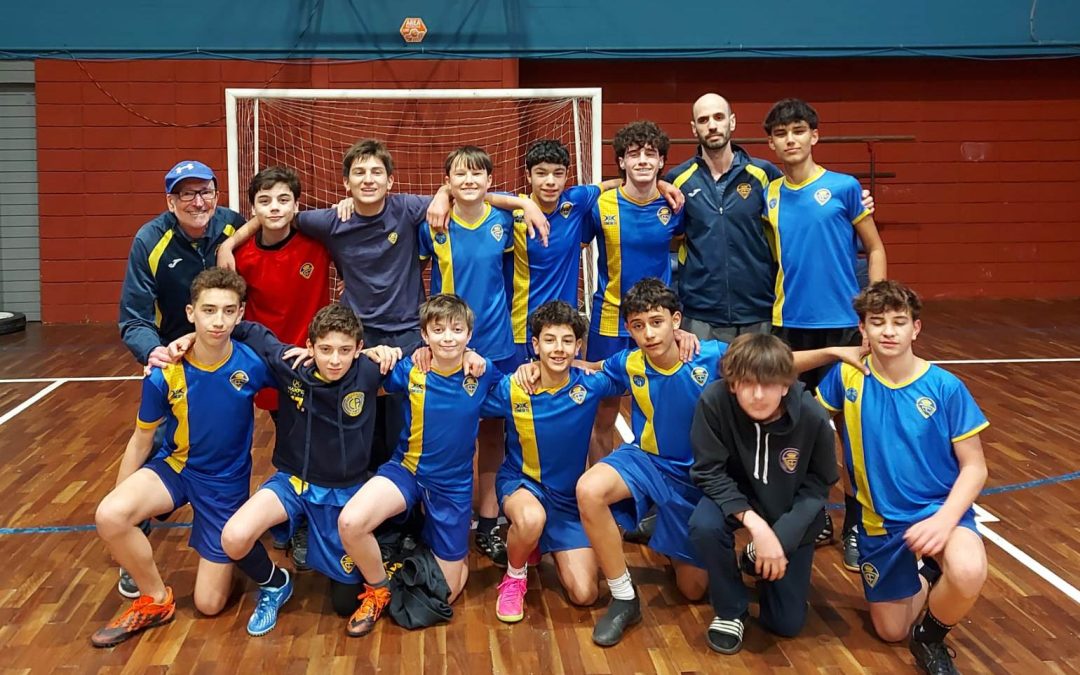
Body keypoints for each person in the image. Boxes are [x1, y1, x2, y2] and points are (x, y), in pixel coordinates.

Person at [91, 269, 273, 647]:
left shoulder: (254, 365)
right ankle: (156, 598)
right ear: (191, 313)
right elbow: (141, 441)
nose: (218, 321)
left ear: (241, 315)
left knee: (209, 605)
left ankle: (227, 555)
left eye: (228, 311)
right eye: (209, 310)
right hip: (176, 467)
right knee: (110, 514)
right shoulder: (164, 372)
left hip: (225, 484)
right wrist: (126, 509)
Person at [815, 280, 989, 675]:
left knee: (968, 569)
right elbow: (807, 415)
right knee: (890, 630)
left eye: (899, 321)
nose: (889, 331)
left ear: (916, 328)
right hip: (879, 521)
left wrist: (944, 521)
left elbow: (975, 467)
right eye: (877, 322)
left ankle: (929, 638)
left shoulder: (945, 387)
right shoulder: (846, 377)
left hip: (938, 511)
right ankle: (929, 571)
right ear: (862, 330)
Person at [761, 97, 888, 563]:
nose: (790, 139)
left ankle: (858, 525)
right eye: (781, 133)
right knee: (791, 429)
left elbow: (874, 249)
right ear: (771, 143)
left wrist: (874, 315)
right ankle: (812, 518)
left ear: (815, 135)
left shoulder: (844, 187)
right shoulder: (769, 194)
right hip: (787, 326)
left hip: (842, 328)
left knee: (848, 430)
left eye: (798, 130)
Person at [336, 294, 499, 638]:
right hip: (406, 472)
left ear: (470, 335)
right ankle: (378, 590)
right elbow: (354, 367)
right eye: (438, 330)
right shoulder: (412, 368)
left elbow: (524, 384)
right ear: (424, 335)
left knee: (447, 593)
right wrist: (374, 352)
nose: (448, 338)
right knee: (350, 523)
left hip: (452, 487)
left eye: (457, 330)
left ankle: (437, 544)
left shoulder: (482, 373)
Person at [418, 145, 546, 566]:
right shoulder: (433, 223)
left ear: (490, 182)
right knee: (446, 432)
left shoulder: (505, 222)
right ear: (448, 182)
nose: (469, 181)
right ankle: (436, 514)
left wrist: (524, 199)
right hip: (446, 347)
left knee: (493, 433)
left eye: (477, 175)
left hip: (496, 344)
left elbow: (512, 278)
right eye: (459, 175)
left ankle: (489, 518)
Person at [687, 333, 838, 654]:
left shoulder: (812, 416)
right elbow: (708, 471)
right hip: (736, 495)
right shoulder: (713, 402)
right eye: (746, 383)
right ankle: (731, 610)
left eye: (768, 384)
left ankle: (756, 557)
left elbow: (819, 483)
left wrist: (779, 536)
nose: (757, 395)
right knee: (704, 525)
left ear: (785, 385)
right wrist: (756, 525)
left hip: (788, 504)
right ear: (732, 384)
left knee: (786, 624)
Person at [482, 300, 623, 622]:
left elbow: (636, 365)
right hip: (523, 485)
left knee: (585, 594)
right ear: (535, 345)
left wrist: (680, 336)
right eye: (549, 340)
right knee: (531, 518)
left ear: (578, 346)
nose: (558, 349)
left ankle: (535, 539)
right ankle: (514, 576)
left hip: (569, 500)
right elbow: (466, 390)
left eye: (567, 340)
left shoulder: (589, 384)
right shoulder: (513, 387)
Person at [233, 165, 333, 571]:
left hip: (318, 361)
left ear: (297, 204)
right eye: (264, 201)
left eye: (283, 199)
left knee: (313, 439)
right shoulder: (242, 256)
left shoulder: (319, 242)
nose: (274, 208)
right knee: (289, 437)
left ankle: (305, 516)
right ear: (253, 207)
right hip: (271, 365)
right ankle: (292, 512)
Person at [508, 139, 684, 362]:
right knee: (521, 390)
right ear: (528, 175)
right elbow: (475, 196)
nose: (550, 181)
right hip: (521, 326)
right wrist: (526, 205)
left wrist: (660, 184)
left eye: (558, 173)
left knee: (571, 390)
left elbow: (614, 184)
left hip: (566, 325)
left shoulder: (576, 201)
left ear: (567, 176)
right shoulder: (510, 210)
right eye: (541, 173)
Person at [581, 121, 686, 466]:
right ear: (622, 162)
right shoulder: (600, 205)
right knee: (604, 413)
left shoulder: (675, 206)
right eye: (633, 154)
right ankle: (599, 489)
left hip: (657, 323)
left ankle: (656, 486)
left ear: (661, 162)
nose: (642, 160)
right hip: (609, 319)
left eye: (650, 154)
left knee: (659, 406)